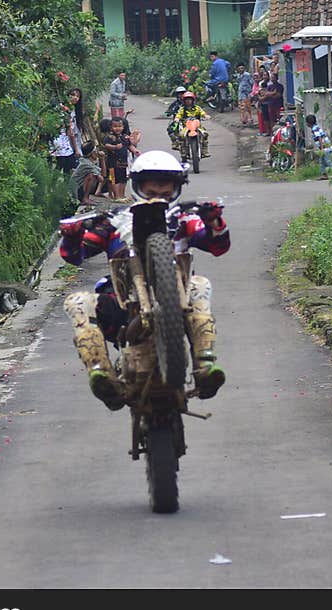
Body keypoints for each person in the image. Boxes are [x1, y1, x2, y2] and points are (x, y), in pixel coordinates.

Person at [59, 150, 229, 409]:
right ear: (138, 184)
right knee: (77, 301)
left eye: (165, 182)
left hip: (179, 303)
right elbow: (75, 255)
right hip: (123, 306)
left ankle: (205, 365)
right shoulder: (115, 221)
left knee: (200, 284)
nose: (157, 189)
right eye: (151, 182)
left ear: (176, 186)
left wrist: (214, 219)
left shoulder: (184, 219)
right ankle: (102, 373)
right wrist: (71, 235)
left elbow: (219, 247)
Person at [103, 116, 140, 200]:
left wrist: (135, 151)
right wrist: (115, 147)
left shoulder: (124, 137)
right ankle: (116, 196)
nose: (117, 128)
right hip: (112, 163)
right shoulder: (109, 137)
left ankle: (122, 195)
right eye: (115, 126)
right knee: (113, 179)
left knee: (123, 179)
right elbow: (106, 145)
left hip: (123, 163)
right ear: (111, 127)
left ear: (123, 127)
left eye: (120, 126)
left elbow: (129, 145)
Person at [174, 91, 210, 160]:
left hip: (197, 127)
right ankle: (183, 151)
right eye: (186, 100)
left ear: (193, 100)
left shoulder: (197, 108)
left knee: (205, 134)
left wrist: (205, 115)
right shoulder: (182, 109)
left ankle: (204, 151)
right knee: (181, 136)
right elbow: (178, 115)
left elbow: (202, 113)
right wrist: (177, 118)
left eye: (190, 99)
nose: (188, 101)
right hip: (186, 127)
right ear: (184, 101)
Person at [305, 114, 332, 178]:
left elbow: (319, 138)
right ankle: (324, 174)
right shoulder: (316, 127)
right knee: (322, 161)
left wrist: (321, 148)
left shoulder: (314, 129)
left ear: (309, 123)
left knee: (328, 160)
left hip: (325, 147)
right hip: (324, 147)